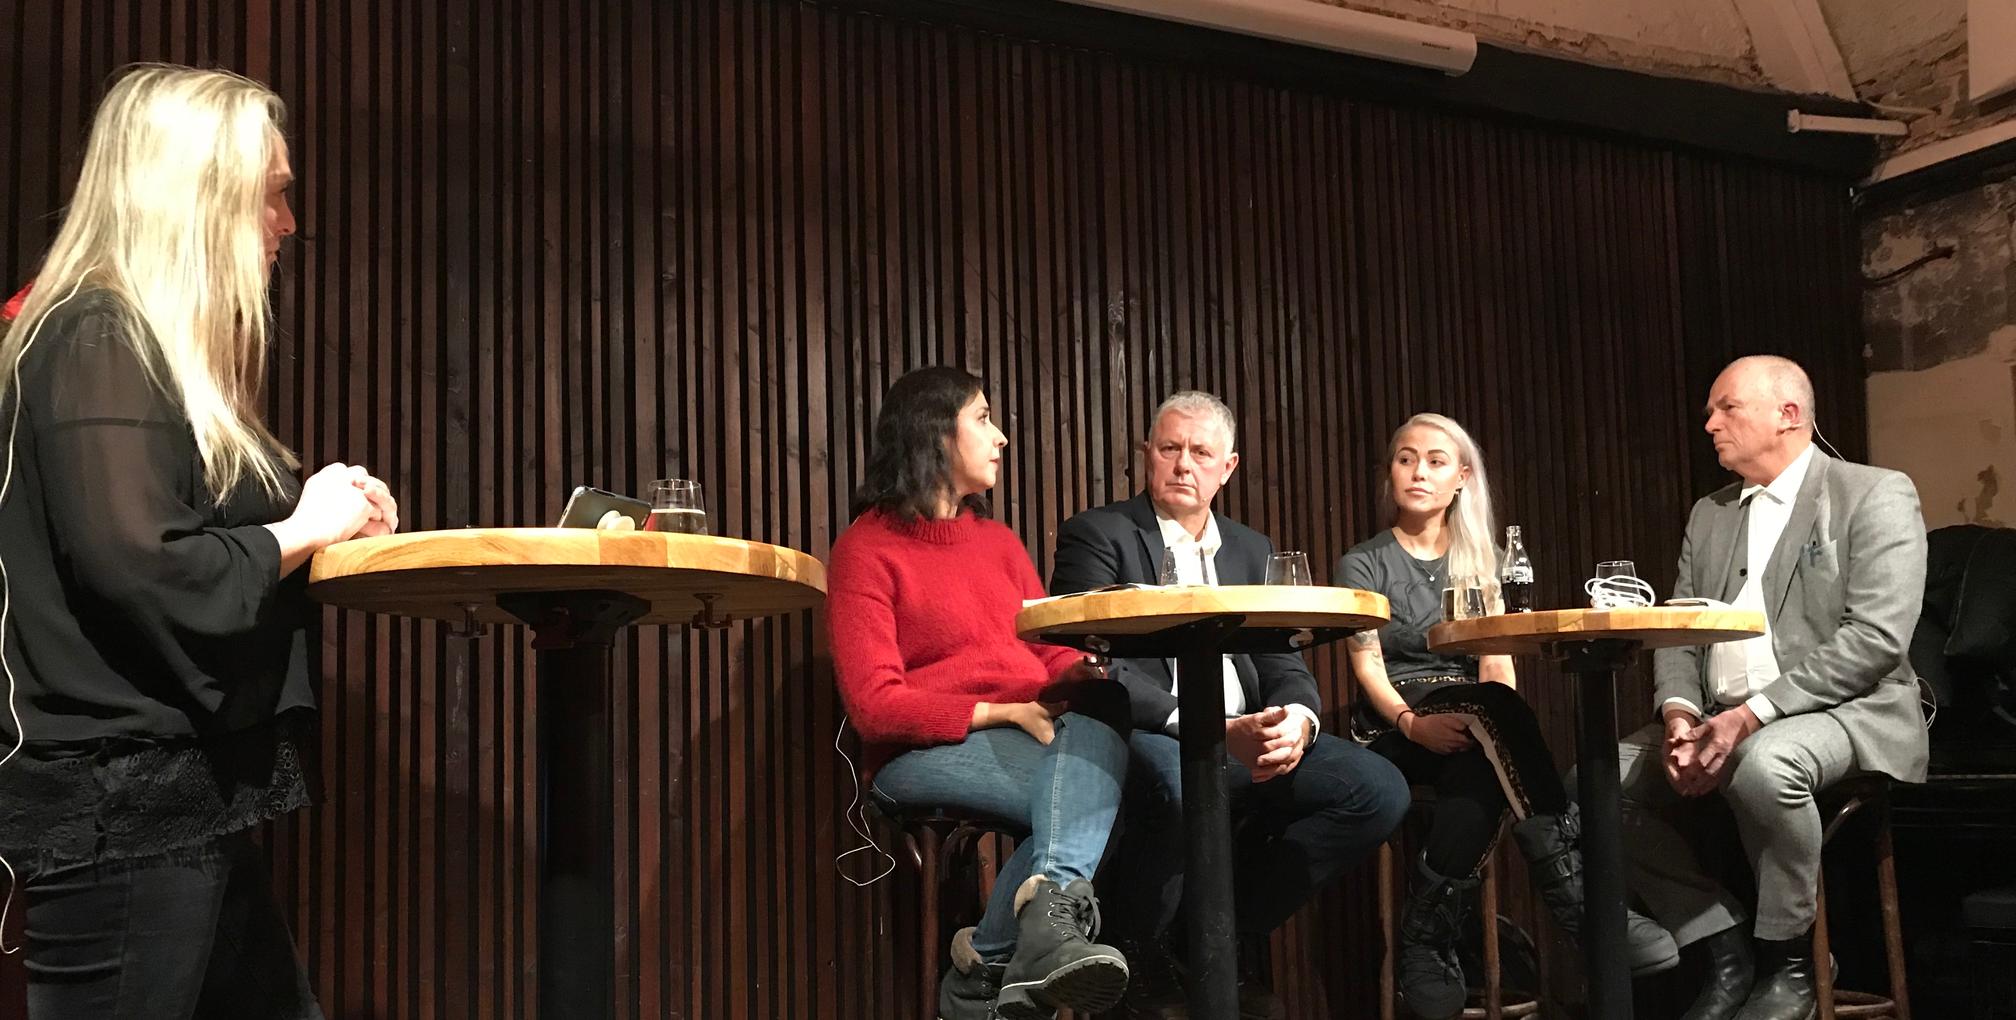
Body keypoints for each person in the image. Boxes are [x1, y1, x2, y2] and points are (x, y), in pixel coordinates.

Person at [0, 65, 397, 1019]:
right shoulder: (97, 333)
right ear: (197, 200)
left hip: (177, 798)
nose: (288, 223)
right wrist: (302, 529)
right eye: (273, 195)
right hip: (120, 810)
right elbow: (145, 565)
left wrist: (320, 509)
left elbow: (174, 533)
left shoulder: (133, 343)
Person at [1050, 390, 1411, 1020]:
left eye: (1200, 452)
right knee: (1190, 781)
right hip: (1152, 729)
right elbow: (1100, 668)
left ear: (1229, 466)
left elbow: (1285, 663)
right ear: (1146, 456)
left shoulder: (1248, 548)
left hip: (1247, 733)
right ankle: (1136, 951)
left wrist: (1295, 722)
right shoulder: (1099, 533)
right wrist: (1212, 729)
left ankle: (1210, 932)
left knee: (1378, 790)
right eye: (1169, 449)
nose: (1183, 464)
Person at [1611, 355, 1928, 1020]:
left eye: (1726, 407)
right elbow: (1679, 631)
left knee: (1764, 764)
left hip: (1848, 711)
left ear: (1787, 415)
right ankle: (1719, 942)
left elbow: (1874, 640)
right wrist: (1678, 715)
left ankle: (1792, 964)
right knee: (1603, 780)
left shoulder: (1873, 493)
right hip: (1721, 714)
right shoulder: (1711, 513)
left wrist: (1750, 717)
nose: (1709, 424)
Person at [1335, 413, 1675, 1019]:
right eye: (1406, 458)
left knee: (1484, 767)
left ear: (1462, 477)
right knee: (1495, 721)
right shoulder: (1363, 562)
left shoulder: (1483, 559)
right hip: (1394, 724)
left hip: (1476, 722)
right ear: (1390, 472)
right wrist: (1413, 723)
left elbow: (1499, 667)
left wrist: (1483, 717)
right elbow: (1368, 670)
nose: (1418, 471)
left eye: (1436, 461)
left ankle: (1426, 938)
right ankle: (1579, 895)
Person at [826, 366, 1132, 1020]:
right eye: (984, 418)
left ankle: (989, 966)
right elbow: (874, 705)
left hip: (1032, 726)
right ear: (936, 434)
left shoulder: (996, 541)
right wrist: (1003, 710)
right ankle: (1007, 959)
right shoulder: (864, 548)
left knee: (1109, 721)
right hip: (922, 752)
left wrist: (1078, 669)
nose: (1002, 437)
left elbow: (1046, 644)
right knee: (1083, 805)